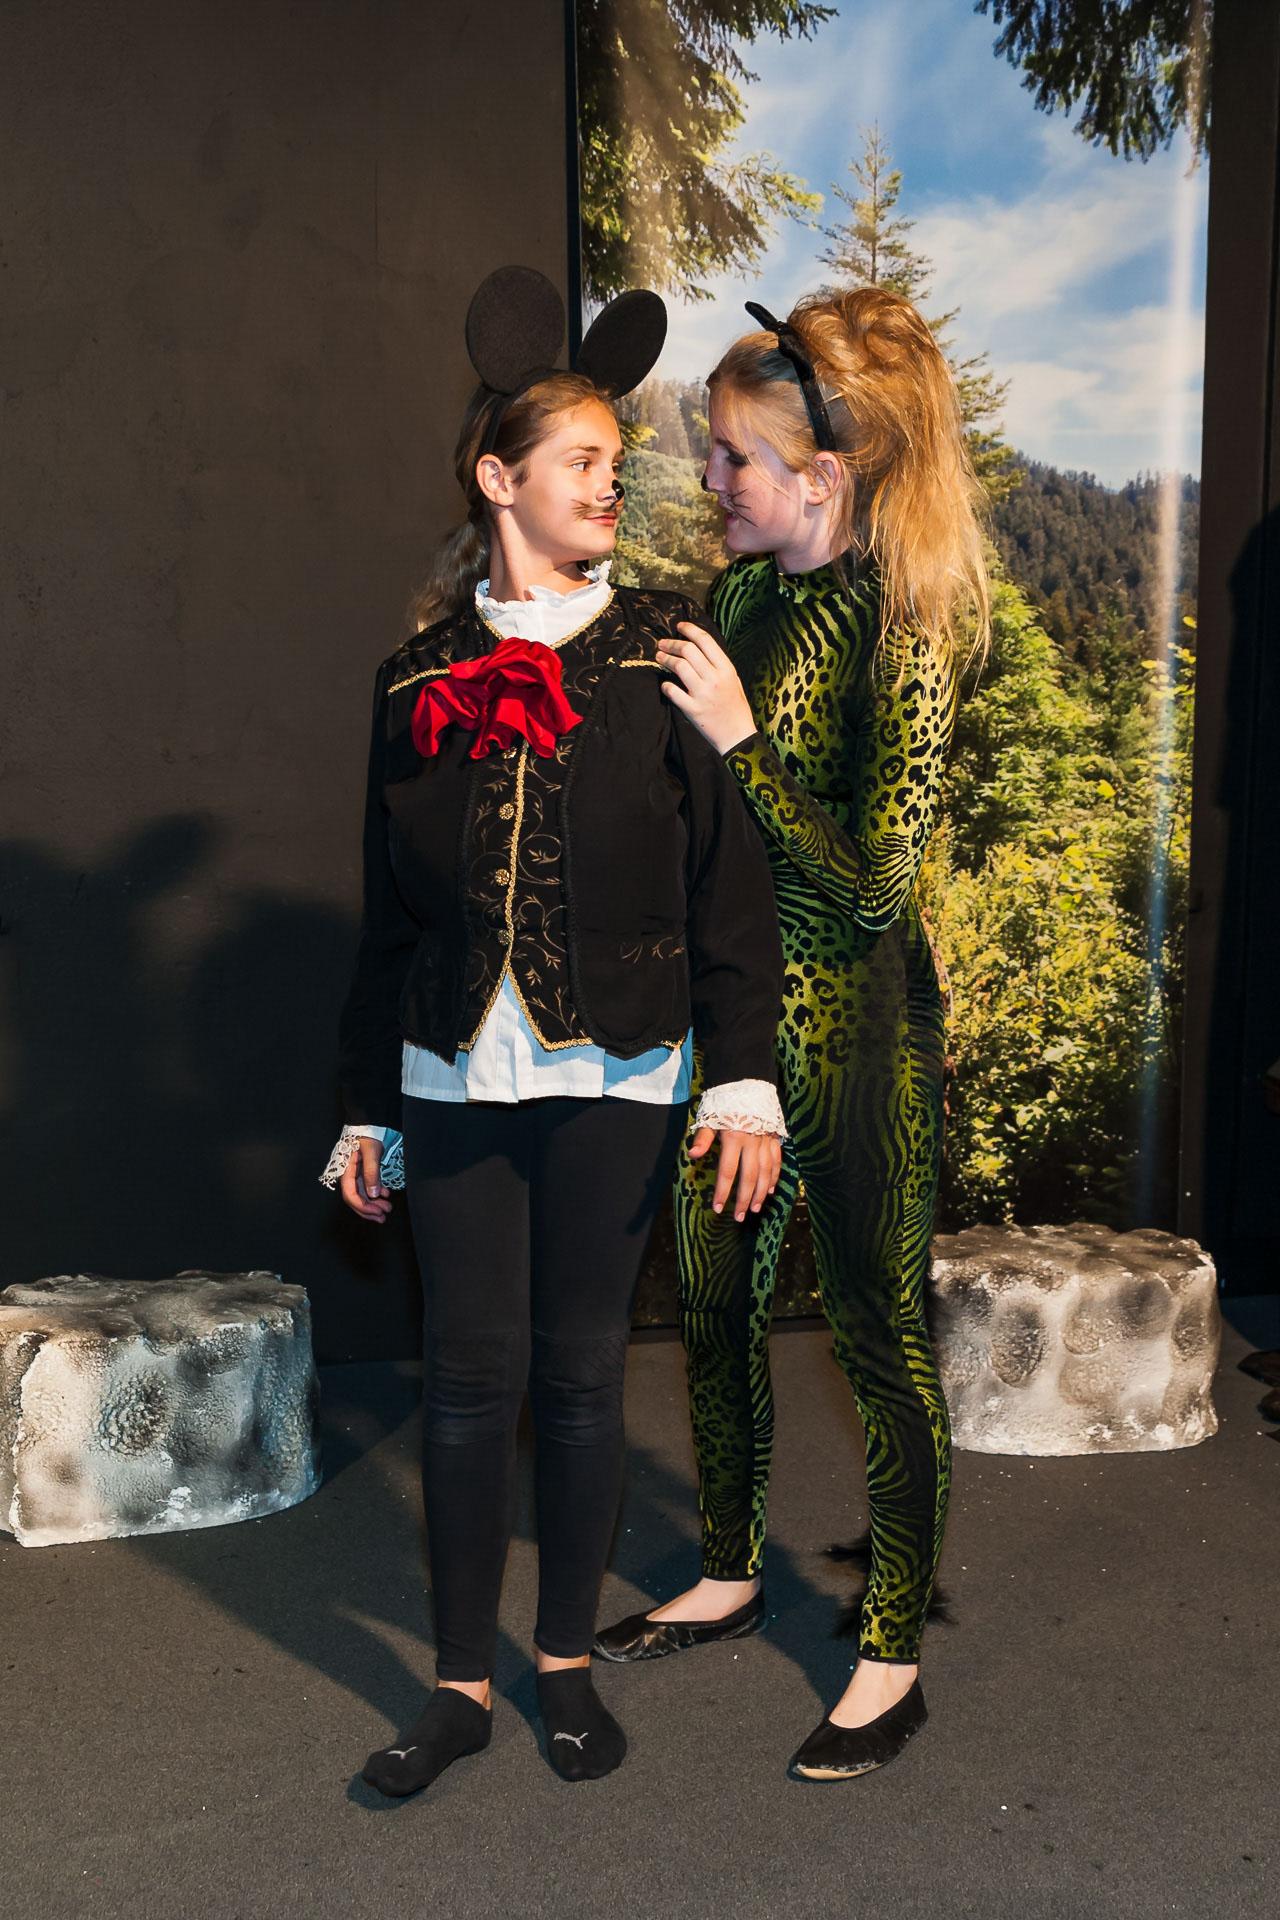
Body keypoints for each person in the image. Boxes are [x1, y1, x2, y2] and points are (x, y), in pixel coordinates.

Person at [321, 267, 787, 1800]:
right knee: (466, 1382)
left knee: (581, 1377)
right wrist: (365, 1104)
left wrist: (745, 1077)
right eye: (584, 459)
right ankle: (459, 1686)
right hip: (454, 1066)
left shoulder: (669, 648)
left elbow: (729, 888)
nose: (612, 483)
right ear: (497, 476)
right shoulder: (415, 680)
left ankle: (567, 1668)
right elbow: (388, 923)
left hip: (621, 1064)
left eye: (617, 462)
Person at [595, 284, 989, 1782]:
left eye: (733, 458)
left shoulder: (905, 623)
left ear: (824, 475)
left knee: (881, 1343)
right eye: (708, 450)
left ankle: (891, 1652)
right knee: (711, 1309)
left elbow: (874, 886)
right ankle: (729, 1569)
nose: (707, 479)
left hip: (863, 1036)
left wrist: (742, 744)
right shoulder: (743, 600)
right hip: (740, 1031)